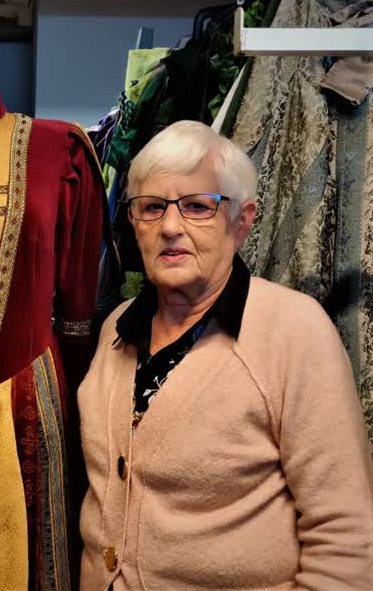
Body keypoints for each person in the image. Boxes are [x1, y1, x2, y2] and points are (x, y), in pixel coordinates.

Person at [78, 120, 373, 590]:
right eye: (152, 207)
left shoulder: (295, 331)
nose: (170, 227)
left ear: (241, 221)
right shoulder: (116, 328)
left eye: (198, 206)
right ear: (133, 222)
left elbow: (346, 537)